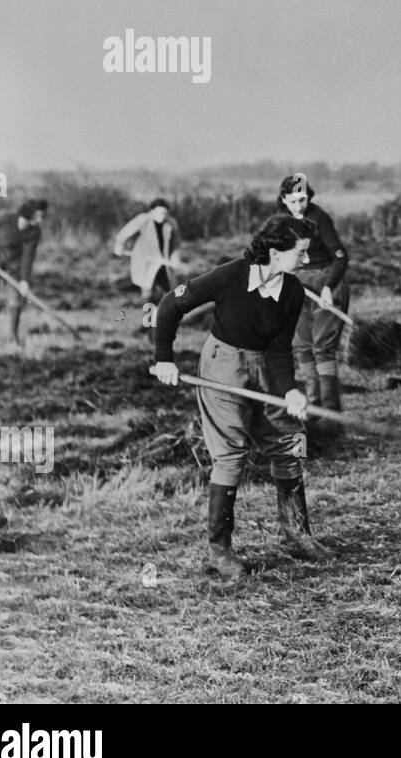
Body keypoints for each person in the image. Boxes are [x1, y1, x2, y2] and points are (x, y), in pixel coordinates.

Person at [150, 213, 327, 580]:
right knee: (231, 454)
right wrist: (164, 359)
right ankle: (221, 551)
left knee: (289, 446)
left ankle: (297, 534)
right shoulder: (230, 276)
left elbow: (280, 349)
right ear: (276, 252)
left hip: (265, 367)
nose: (306, 261)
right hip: (223, 366)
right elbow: (170, 304)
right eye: (302, 253)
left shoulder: (291, 291)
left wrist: (289, 390)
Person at [275, 172, 350, 411]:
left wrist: (329, 287)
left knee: (322, 347)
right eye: (294, 200)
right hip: (296, 285)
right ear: (284, 199)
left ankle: (330, 410)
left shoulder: (320, 218)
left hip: (327, 281)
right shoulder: (278, 222)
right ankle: (314, 407)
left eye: (303, 199)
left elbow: (340, 256)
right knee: (302, 346)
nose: (299, 205)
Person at [0, 199, 48, 349]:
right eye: (39, 216)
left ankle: (13, 338)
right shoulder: (6, 217)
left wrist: (24, 281)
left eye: (43, 216)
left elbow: (27, 257)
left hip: (13, 265)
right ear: (29, 214)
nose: (41, 220)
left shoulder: (34, 232)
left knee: (16, 298)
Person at [113, 197, 182, 301]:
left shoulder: (171, 223)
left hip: (163, 262)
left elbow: (176, 243)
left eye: (164, 213)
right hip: (145, 261)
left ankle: (166, 312)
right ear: (152, 211)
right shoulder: (143, 219)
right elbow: (124, 233)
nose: (162, 216)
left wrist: (175, 257)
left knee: (169, 289)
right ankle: (146, 311)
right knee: (147, 288)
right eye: (159, 213)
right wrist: (119, 246)